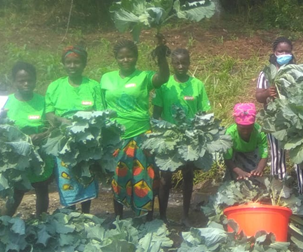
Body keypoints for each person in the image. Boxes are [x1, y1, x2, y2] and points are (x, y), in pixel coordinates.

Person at [100, 40, 169, 218]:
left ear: (136, 57)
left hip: (141, 134)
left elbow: (163, 78)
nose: (126, 60)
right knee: (118, 177)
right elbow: (102, 106)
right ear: (116, 58)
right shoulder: (106, 78)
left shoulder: (144, 76)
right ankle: (119, 218)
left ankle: (146, 218)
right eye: (121, 57)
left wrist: (162, 57)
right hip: (116, 136)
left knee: (144, 177)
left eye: (129, 56)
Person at [153, 48, 210, 225]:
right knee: (166, 177)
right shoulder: (165, 85)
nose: (180, 66)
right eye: (177, 63)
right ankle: (163, 215)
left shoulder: (197, 85)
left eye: (184, 63)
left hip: (189, 138)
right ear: (171, 64)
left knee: (188, 175)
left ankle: (185, 215)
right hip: (170, 137)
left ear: (189, 63)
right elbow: (156, 113)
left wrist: (200, 133)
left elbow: (204, 112)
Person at [45, 46, 104, 213]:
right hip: (63, 140)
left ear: (84, 64)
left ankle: (86, 214)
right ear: (63, 64)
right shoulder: (55, 86)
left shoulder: (93, 86)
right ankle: (70, 213)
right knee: (67, 176)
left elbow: (100, 112)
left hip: (87, 139)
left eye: (76, 62)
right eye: (68, 62)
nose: (72, 65)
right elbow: (49, 113)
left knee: (86, 174)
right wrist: (61, 120)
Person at [2, 61, 55, 216]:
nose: (26, 83)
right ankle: (2, 225)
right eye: (21, 81)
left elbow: (52, 125)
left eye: (29, 80)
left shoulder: (43, 101)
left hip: (41, 155)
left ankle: (41, 223)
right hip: (17, 157)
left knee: (42, 190)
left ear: (35, 80)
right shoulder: (6, 102)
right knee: (16, 194)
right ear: (14, 82)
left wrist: (42, 135)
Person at [256, 37, 303, 190]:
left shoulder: (298, 72)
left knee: (298, 154)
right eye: (280, 51)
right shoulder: (266, 73)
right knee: (277, 155)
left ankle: (302, 189)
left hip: (294, 119)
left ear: (292, 53)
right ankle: (278, 190)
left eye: (287, 51)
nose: (284, 54)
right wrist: (268, 93)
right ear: (274, 52)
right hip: (273, 120)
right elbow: (258, 96)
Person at [224, 103, 268, 180]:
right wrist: (238, 171)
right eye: (242, 129)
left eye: (249, 128)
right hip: (235, 154)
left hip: (253, 153)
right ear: (236, 124)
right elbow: (227, 158)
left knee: (254, 178)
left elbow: (264, 155)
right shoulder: (229, 134)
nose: (246, 132)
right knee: (232, 180)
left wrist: (259, 168)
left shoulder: (260, 132)